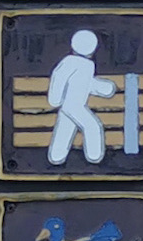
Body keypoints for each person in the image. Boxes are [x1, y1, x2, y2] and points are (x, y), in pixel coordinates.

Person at [45, 29, 118, 164]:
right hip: (74, 105)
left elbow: (85, 84)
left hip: (71, 106)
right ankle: (94, 156)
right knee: (92, 126)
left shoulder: (86, 65)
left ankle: (57, 156)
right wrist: (54, 99)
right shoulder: (71, 62)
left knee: (65, 129)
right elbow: (59, 77)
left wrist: (105, 88)